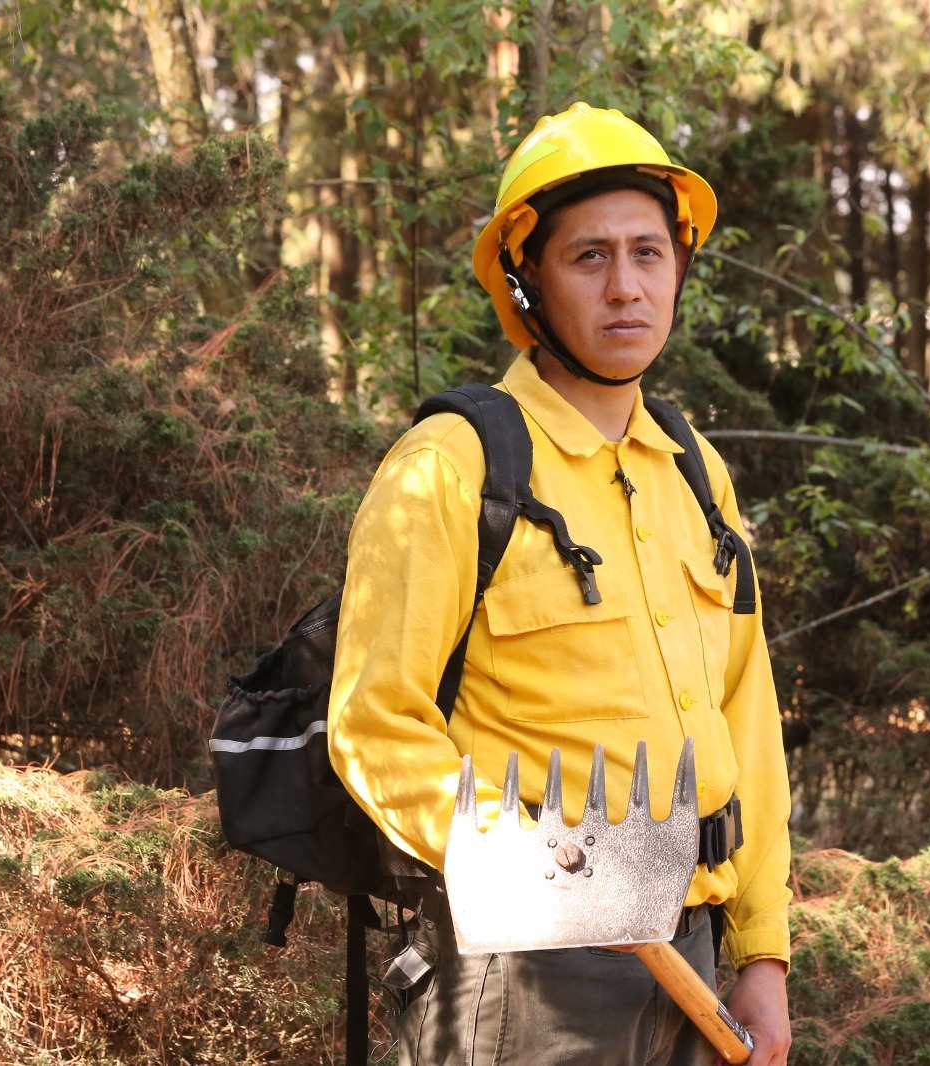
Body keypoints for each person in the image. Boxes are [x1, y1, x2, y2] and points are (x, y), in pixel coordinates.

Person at [327, 102, 792, 1066]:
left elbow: (748, 718)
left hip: (696, 966)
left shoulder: (695, 473)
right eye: (589, 257)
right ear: (527, 281)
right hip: (526, 980)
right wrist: (549, 871)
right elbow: (374, 725)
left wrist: (763, 953)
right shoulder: (452, 466)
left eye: (648, 253)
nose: (627, 286)